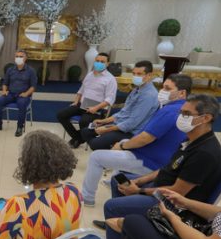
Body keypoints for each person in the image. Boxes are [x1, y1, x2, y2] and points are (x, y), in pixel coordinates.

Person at [94, 94, 221, 239]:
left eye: (186, 114)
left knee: (112, 206)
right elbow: (167, 168)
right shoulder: (190, 140)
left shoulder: (205, 153)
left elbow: (176, 192)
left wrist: (138, 191)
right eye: (181, 113)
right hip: (162, 188)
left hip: (173, 203)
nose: (181, 117)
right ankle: (124, 230)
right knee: (118, 181)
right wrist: (140, 180)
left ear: (206, 118)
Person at [80, 74, 193, 205]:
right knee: (122, 143)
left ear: (182, 93)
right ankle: (116, 181)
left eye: (167, 88)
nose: (162, 91)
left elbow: (145, 138)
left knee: (96, 157)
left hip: (149, 161)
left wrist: (122, 146)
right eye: (163, 88)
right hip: (159, 157)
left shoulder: (170, 110)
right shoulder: (184, 108)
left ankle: (87, 198)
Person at [81, 60, 159, 150]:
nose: (135, 76)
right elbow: (123, 112)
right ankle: (107, 153)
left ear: (149, 75)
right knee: (86, 132)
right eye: (134, 73)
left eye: (139, 74)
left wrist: (107, 129)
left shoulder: (148, 95)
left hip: (131, 132)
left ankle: (108, 154)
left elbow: (132, 123)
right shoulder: (137, 89)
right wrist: (104, 121)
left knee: (96, 143)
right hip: (121, 125)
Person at [56, 53, 117, 148]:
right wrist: (76, 102)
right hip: (82, 104)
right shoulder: (89, 75)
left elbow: (109, 99)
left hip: (97, 108)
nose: (99, 63)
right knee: (61, 115)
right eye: (97, 61)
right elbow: (81, 90)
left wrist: (95, 108)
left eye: (102, 62)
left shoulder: (110, 79)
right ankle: (79, 138)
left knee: (84, 121)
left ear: (107, 64)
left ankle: (77, 139)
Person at [0, 50, 38, 137]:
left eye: (21, 56)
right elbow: (5, 83)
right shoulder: (10, 70)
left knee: (22, 104)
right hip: (10, 94)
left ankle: (20, 127)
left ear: (25, 58)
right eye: (17, 56)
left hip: (23, 95)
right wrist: (4, 91)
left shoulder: (31, 71)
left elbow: (33, 86)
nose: (18, 58)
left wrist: (26, 94)